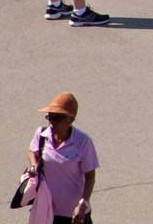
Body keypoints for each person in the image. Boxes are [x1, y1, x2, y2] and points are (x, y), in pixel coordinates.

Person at [24, 94, 95, 224]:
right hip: (47, 210)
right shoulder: (41, 134)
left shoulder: (83, 141)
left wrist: (83, 203)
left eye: (57, 117)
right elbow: (31, 151)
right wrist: (34, 165)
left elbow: (90, 177)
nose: (52, 121)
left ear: (71, 119)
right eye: (50, 116)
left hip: (74, 214)